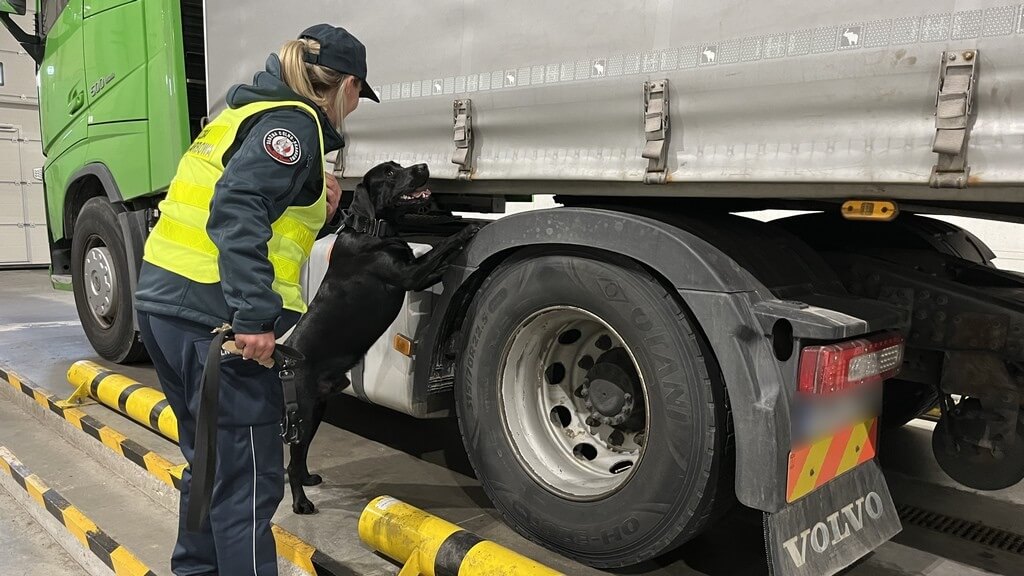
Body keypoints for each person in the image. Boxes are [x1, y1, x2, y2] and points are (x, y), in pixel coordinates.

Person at [134, 24, 379, 576]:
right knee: (247, 476)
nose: (356, 107)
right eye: (359, 95)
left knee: (210, 462)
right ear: (348, 87)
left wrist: (324, 208)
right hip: (217, 322)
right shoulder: (293, 127)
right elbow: (238, 205)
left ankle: (195, 571)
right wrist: (252, 316)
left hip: (166, 306)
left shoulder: (245, 111)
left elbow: (264, 220)